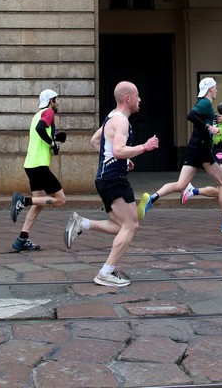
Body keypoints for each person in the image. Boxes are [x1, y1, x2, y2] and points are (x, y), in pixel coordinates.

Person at [64, 80, 159, 288]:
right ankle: (105, 273)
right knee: (131, 225)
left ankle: (82, 223)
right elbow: (118, 150)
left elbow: (96, 141)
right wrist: (144, 147)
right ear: (127, 98)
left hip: (105, 178)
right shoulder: (121, 121)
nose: (140, 99)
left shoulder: (111, 117)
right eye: (137, 96)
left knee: (121, 226)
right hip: (114, 179)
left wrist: (123, 159)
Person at [140, 77, 222, 234]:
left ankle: (152, 198)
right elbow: (191, 115)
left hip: (193, 147)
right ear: (210, 89)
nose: (216, 90)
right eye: (215, 87)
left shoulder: (203, 103)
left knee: (181, 185)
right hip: (203, 148)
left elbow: (199, 116)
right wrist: (209, 127)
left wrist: (213, 120)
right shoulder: (205, 102)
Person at [9, 89, 67, 252]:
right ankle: (23, 201)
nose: (58, 103)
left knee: (39, 203)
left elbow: (41, 133)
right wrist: (52, 142)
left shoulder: (37, 115)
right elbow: (40, 129)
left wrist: (54, 142)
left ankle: (22, 239)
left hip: (31, 165)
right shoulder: (48, 112)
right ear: (50, 101)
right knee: (61, 200)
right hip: (39, 166)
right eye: (56, 100)